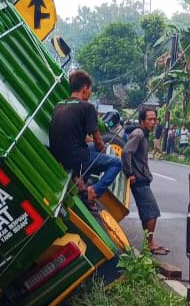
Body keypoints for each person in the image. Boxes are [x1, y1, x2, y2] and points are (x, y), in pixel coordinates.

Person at [49, 70, 122, 203]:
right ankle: (93, 191)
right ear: (84, 88)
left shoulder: (59, 105)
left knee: (91, 147)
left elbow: (75, 135)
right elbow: (99, 141)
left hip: (58, 156)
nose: (90, 93)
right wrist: (104, 153)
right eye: (90, 90)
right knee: (116, 163)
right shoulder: (87, 107)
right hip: (76, 158)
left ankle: (81, 181)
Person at [122, 109, 167, 255]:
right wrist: (131, 173)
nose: (153, 122)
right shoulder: (139, 134)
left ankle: (149, 243)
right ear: (142, 121)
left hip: (142, 178)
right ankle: (150, 244)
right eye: (150, 119)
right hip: (139, 179)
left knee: (146, 213)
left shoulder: (143, 134)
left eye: (154, 119)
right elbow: (126, 152)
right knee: (153, 211)